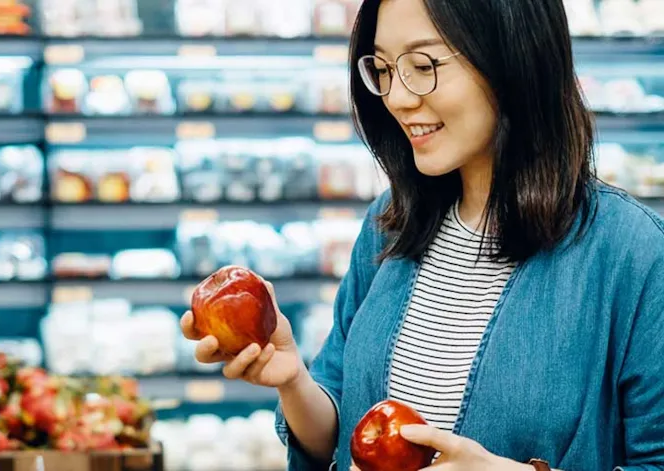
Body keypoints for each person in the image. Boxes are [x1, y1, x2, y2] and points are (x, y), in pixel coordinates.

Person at [179, 0, 664, 469]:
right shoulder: (389, 225)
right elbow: (339, 436)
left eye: (424, 64)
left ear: (515, 55)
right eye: (385, 70)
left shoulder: (633, 255)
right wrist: (292, 381)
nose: (397, 98)